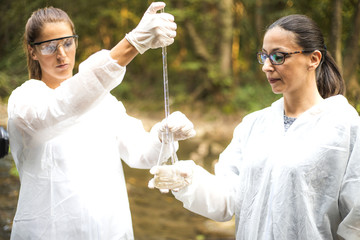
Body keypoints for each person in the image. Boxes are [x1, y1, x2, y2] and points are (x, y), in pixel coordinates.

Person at [149, 14, 360, 239]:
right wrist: (187, 180)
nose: (266, 67)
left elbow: (355, 220)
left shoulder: (345, 127)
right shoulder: (254, 125)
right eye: (264, 56)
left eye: (278, 56)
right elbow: (228, 199)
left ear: (314, 59)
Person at [7, 2, 195, 239]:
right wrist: (133, 43)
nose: (61, 54)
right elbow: (62, 107)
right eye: (49, 47)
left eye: (67, 43)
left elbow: (142, 154)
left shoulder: (105, 103)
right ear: (32, 51)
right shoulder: (26, 99)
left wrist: (164, 135)